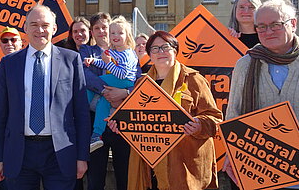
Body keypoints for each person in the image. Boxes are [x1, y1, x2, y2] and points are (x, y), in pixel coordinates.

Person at [0, 5, 90, 190]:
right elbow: (0, 115)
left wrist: (82, 156)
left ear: (54, 28)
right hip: (19, 152)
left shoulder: (72, 60)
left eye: (45, 25)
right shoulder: (9, 63)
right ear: (25, 28)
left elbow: (82, 113)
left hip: (60, 152)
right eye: (34, 24)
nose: (40, 30)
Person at [224, 0, 299, 189]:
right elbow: (234, 114)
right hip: (260, 175)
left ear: (293, 24)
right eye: (261, 27)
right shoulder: (245, 64)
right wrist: (232, 154)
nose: (268, 32)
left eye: (276, 25)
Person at [110, 30, 223, 190]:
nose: (160, 52)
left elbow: (215, 118)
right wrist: (121, 127)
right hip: (149, 168)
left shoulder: (194, 79)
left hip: (184, 167)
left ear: (175, 51)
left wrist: (199, 125)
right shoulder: (141, 84)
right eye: (155, 49)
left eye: (165, 47)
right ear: (149, 54)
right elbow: (136, 122)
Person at [80, 12, 140, 190]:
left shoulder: (127, 53)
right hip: (96, 118)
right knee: (96, 176)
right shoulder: (86, 50)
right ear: (92, 32)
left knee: (124, 172)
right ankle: (95, 135)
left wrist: (124, 93)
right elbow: (86, 76)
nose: (102, 32)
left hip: (121, 120)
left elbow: (136, 79)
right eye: (96, 28)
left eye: (104, 28)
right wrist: (107, 92)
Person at [83, 16, 138, 152]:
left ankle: (82, 113)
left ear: (127, 35)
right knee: (102, 101)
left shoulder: (128, 54)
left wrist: (107, 62)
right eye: (113, 33)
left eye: (120, 33)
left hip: (123, 81)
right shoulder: (114, 51)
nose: (115, 36)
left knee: (91, 89)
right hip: (115, 80)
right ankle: (96, 134)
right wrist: (93, 61)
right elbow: (105, 63)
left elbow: (121, 73)